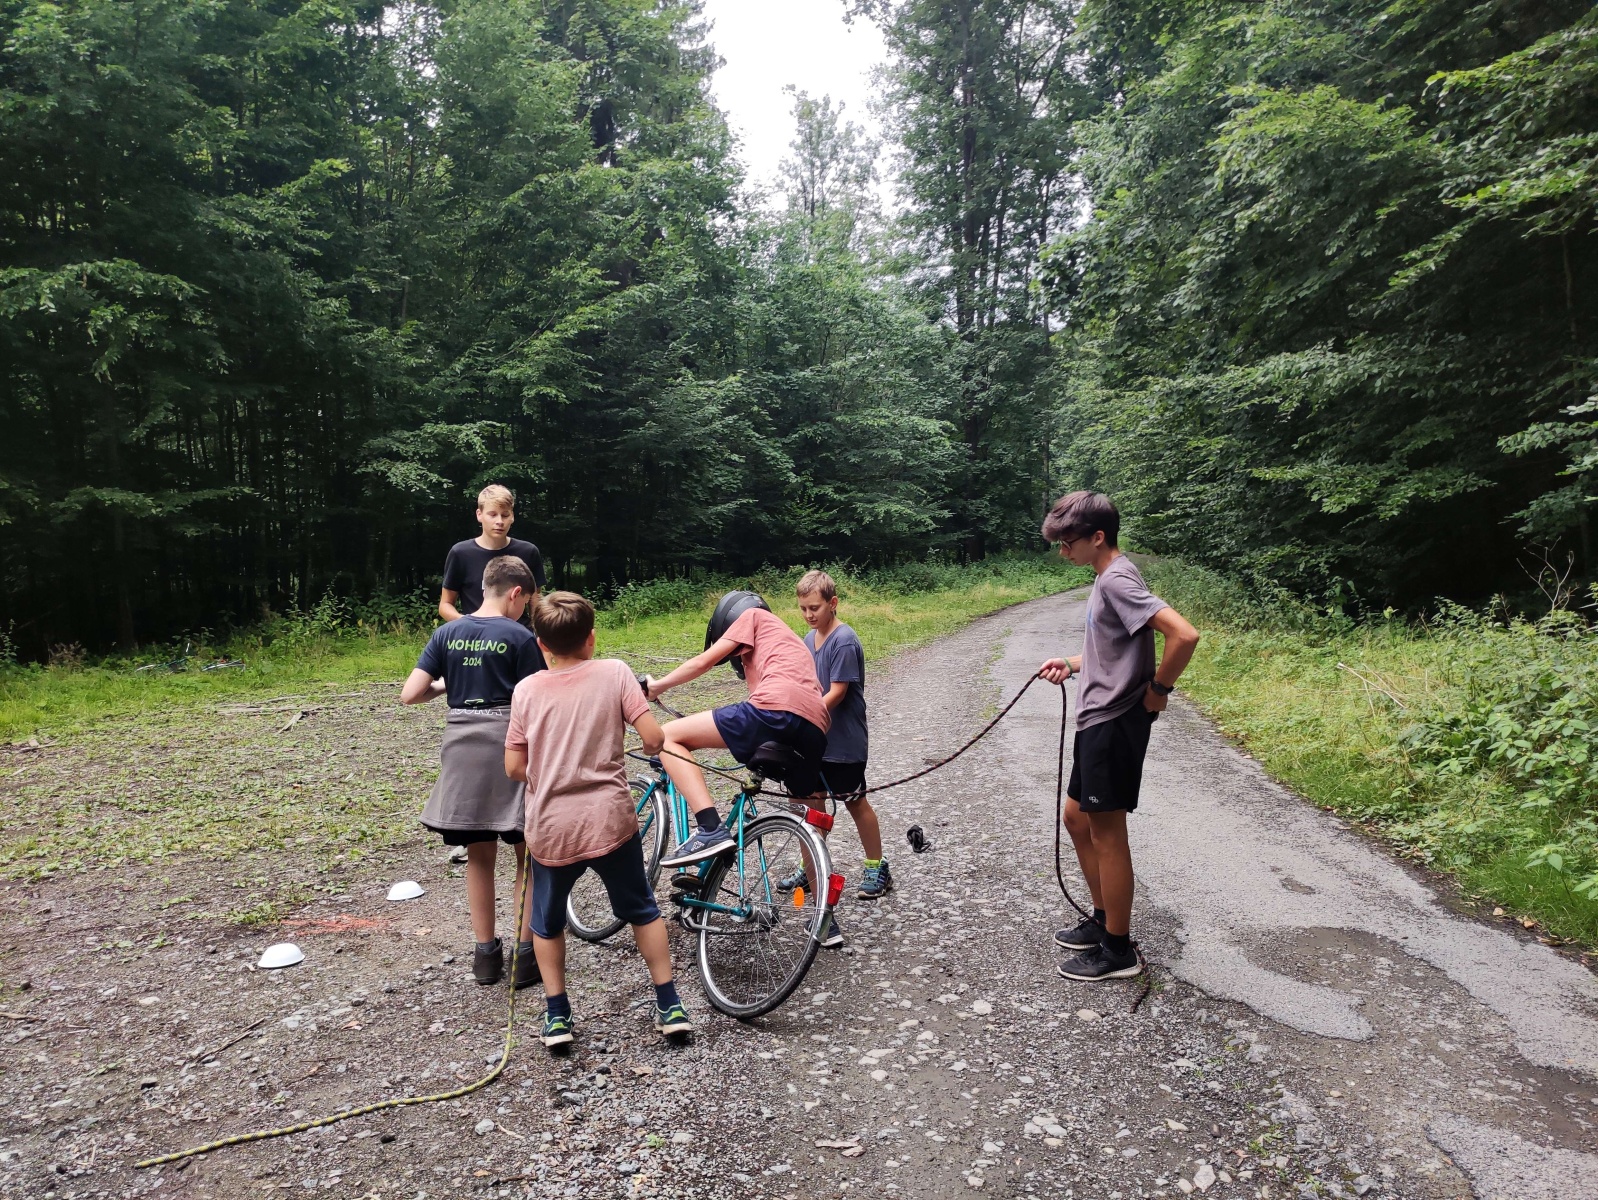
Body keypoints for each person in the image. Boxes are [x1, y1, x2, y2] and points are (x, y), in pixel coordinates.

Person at [504, 591, 690, 1049]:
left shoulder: (526, 690)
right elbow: (653, 738)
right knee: (642, 909)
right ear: (591, 638)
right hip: (610, 820)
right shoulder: (615, 673)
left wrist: (549, 771)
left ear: (541, 645)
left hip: (552, 828)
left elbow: (513, 767)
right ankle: (669, 1004)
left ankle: (557, 1015)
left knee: (546, 922)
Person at [1038, 491, 1199, 982]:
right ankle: (1104, 918)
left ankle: (1117, 949)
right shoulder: (1106, 576)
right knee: (1076, 818)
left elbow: (1184, 635)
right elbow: (1112, 649)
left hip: (1113, 723)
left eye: (1068, 542)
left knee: (1107, 834)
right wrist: (1072, 663)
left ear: (1098, 537)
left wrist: (1158, 691)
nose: (1063, 551)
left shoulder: (1117, 580)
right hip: (1097, 720)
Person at [401, 555, 547, 989]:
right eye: (526, 602)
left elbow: (410, 694)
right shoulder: (520, 637)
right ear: (516, 593)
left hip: (461, 748)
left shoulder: (446, 633)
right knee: (527, 854)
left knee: (479, 855)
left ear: (484, 587)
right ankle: (525, 956)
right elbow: (537, 700)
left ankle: (485, 956)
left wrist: (447, 683)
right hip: (510, 748)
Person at [644, 591, 830, 869]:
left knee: (667, 736)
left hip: (775, 711)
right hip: (816, 729)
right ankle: (820, 893)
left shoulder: (752, 616)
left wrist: (656, 686)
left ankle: (710, 828)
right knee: (805, 818)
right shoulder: (788, 643)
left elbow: (703, 661)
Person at [786, 571, 891, 910]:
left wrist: (806, 713)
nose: (808, 615)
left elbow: (838, 692)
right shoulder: (809, 639)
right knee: (812, 805)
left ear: (833, 603)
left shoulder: (844, 640)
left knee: (854, 802)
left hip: (845, 744)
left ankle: (877, 866)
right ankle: (812, 867)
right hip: (817, 741)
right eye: (803, 608)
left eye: (814, 608)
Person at [439, 484, 547, 626]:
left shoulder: (528, 552)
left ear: (512, 516)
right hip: (477, 635)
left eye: (505, 515)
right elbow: (445, 605)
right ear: (479, 515)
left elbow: (535, 601)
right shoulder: (460, 553)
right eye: (492, 514)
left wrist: (540, 634)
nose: (499, 522)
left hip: (519, 634)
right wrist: (469, 625)